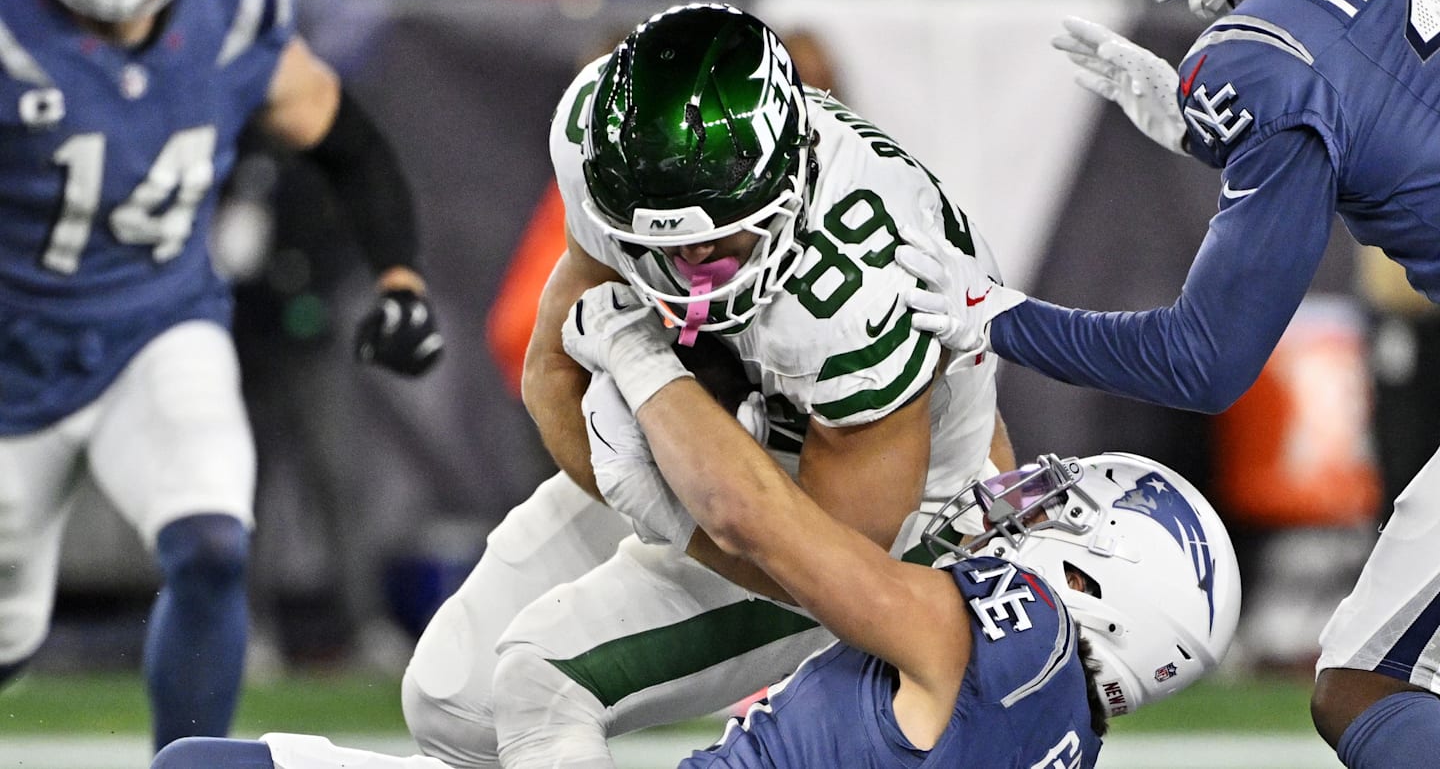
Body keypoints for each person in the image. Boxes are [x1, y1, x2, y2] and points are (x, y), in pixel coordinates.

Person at [401, 2, 1015, 769]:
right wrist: (665, 468)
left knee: (541, 680)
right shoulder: (596, 142)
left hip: (903, 524)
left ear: (788, 180)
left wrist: (670, 507)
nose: (691, 267)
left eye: (719, 235)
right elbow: (552, 376)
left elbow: (842, 574)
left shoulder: (868, 295)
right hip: (721, 434)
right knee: (452, 702)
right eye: (661, 243)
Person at [889, 0, 1440, 765]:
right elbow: (1383, 106)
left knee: (1369, 685)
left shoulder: (1269, 51)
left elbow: (1202, 362)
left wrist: (998, 317)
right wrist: (1209, 134)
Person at [146, 400, 1241, 768]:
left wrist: (642, 374)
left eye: (1062, 512)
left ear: (1102, 581)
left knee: (524, 682)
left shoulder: (993, 638)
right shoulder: (1052, 725)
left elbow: (773, 534)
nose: (1027, 503)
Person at [0, 0, 443, 753]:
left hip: (158, 327)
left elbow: (342, 137)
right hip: (13, 358)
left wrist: (400, 278)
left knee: (212, 544)